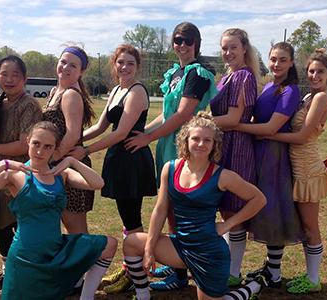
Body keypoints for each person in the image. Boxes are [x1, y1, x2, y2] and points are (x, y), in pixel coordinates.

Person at [0, 121, 117, 300]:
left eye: (47, 147)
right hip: (24, 258)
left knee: (109, 244)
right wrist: (4, 164)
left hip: (55, 253)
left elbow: (98, 183)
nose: (40, 151)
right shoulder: (16, 176)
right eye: (36, 143)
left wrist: (72, 161)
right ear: (28, 141)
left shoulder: (61, 174)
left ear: (54, 149)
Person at [123, 113, 267, 300]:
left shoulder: (223, 176)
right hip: (180, 246)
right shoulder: (170, 168)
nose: (201, 144)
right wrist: (149, 249)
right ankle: (143, 296)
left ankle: (253, 287)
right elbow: (160, 210)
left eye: (207, 140)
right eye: (196, 138)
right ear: (185, 140)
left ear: (215, 144)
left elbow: (259, 199)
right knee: (132, 242)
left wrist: (226, 225)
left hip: (209, 252)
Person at [124, 21, 218, 291]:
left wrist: (147, 138)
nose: (183, 45)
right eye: (178, 40)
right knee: (172, 207)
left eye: (188, 40)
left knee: (185, 209)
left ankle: (183, 273)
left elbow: (183, 114)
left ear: (197, 44)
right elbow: (166, 114)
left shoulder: (197, 73)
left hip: (188, 145)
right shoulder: (176, 73)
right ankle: (178, 263)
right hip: (169, 143)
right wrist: (140, 133)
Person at [253, 48, 327, 294]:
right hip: (294, 166)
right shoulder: (309, 97)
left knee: (310, 228)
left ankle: (313, 278)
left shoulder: (321, 98)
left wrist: (267, 132)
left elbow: (300, 136)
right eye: (311, 71)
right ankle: (279, 269)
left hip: (307, 170)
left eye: (320, 71)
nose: (315, 75)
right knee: (296, 223)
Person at [78, 44, 157, 290]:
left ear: (138, 67)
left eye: (130, 63)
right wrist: (74, 138)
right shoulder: (116, 91)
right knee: (127, 216)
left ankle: (136, 277)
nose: (124, 67)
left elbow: (122, 132)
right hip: (118, 158)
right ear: (114, 64)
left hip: (132, 159)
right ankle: (129, 269)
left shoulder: (137, 92)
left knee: (132, 218)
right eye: (120, 62)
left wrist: (86, 150)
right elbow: (101, 126)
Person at [235, 42, 305, 290]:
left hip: (273, 157)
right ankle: (268, 266)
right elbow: (259, 122)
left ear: (291, 63)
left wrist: (235, 125)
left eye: (282, 60)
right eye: (273, 59)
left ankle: (274, 273)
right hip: (257, 150)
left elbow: (269, 128)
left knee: (274, 209)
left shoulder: (290, 90)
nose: (276, 64)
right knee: (258, 208)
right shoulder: (268, 86)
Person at [0, 55, 43, 290]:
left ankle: (27, 273)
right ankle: (9, 270)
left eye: (16, 74)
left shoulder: (29, 105)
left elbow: (25, 145)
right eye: (4, 74)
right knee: (0, 225)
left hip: (19, 174)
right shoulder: (0, 101)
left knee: (20, 227)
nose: (10, 79)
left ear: (25, 78)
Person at [209, 28, 259, 287]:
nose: (228, 53)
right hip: (222, 145)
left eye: (233, 48)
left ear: (244, 49)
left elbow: (232, 120)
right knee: (225, 208)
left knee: (234, 208)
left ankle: (233, 271)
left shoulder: (243, 76)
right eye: (224, 48)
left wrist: (200, 121)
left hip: (236, 147)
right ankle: (227, 267)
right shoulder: (227, 76)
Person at [43, 46, 96, 234]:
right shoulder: (55, 91)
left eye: (73, 65)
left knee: (77, 232)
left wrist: (52, 158)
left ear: (81, 72)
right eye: (63, 62)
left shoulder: (71, 95)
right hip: (57, 165)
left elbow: (73, 134)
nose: (65, 67)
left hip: (68, 166)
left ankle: (89, 263)